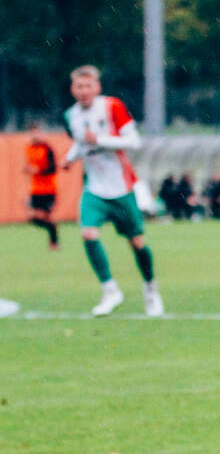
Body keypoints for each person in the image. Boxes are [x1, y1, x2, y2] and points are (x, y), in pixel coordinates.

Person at [61, 65, 163, 317]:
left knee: (137, 242)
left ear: (97, 87)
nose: (83, 91)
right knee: (88, 233)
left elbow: (134, 141)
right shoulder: (71, 115)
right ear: (73, 89)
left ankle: (150, 289)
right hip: (94, 188)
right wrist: (69, 158)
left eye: (88, 86)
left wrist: (100, 140)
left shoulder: (112, 106)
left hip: (121, 186)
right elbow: (81, 143)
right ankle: (110, 290)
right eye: (79, 86)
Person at [24, 125, 59, 250]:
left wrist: (38, 170)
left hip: (48, 189)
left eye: (37, 133)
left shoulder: (47, 148)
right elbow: (30, 165)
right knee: (32, 217)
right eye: (32, 133)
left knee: (45, 216)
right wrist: (27, 169)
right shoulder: (28, 149)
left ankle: (54, 241)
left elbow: (53, 168)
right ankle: (53, 228)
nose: (35, 136)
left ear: (41, 134)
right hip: (35, 190)